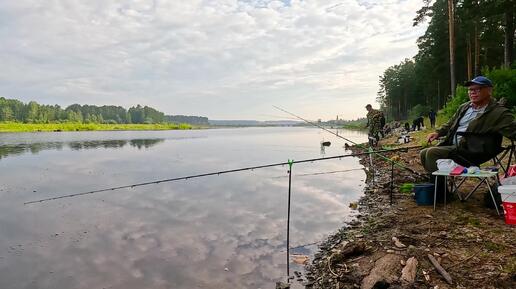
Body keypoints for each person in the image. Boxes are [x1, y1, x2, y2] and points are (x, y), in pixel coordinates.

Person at [420, 76, 516, 174]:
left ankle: (438, 189)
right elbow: (450, 124)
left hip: (474, 151)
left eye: (477, 89)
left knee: (432, 153)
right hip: (455, 147)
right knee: (423, 153)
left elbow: (513, 131)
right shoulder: (464, 107)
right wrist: (438, 133)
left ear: (489, 91)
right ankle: (435, 185)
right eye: (470, 90)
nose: (472, 92)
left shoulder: (499, 112)